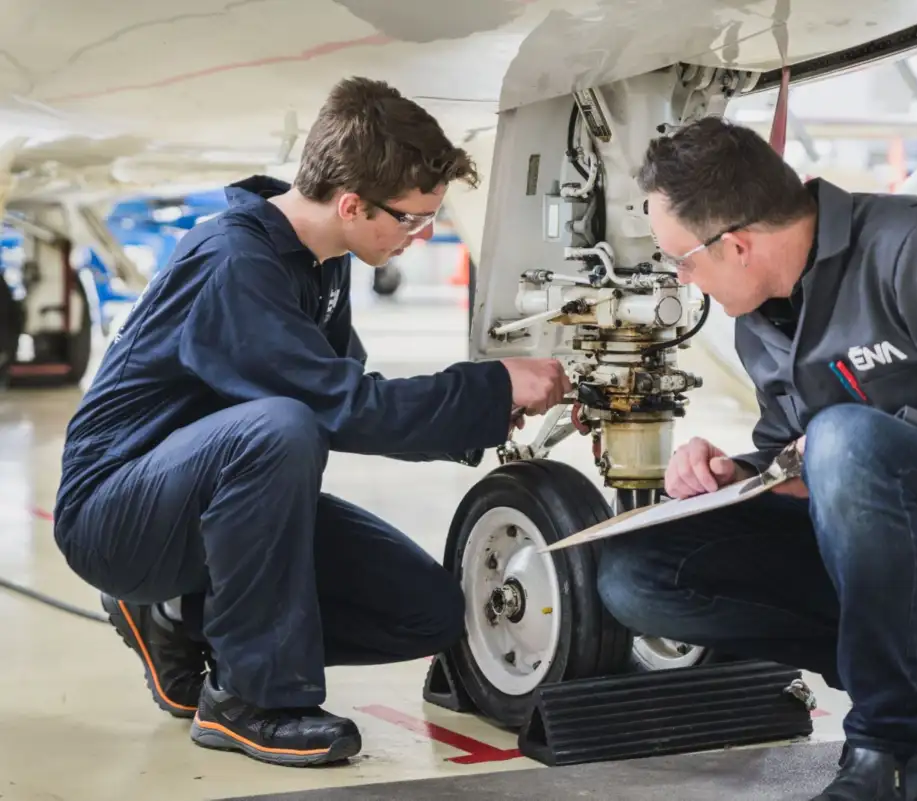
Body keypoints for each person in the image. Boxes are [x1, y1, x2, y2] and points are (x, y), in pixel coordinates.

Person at [52, 76, 572, 767]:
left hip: (213, 499)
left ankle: (178, 614)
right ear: (352, 204)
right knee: (282, 426)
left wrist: (491, 407)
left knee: (427, 612)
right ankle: (249, 699)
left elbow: (351, 398)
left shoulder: (321, 263)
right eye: (412, 219)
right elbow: (341, 406)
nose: (419, 237)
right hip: (116, 513)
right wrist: (486, 387)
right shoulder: (235, 261)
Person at [595, 117, 917, 801]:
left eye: (683, 259)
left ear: (738, 245)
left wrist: (871, 441)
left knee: (847, 436)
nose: (681, 278)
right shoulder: (758, 322)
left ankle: (887, 752)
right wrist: (736, 474)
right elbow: (799, 461)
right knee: (637, 573)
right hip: (885, 560)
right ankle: (915, 660)